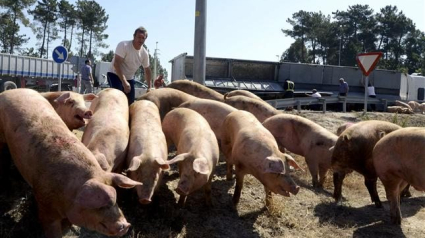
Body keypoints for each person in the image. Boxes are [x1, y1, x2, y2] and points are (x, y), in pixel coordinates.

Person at [107, 26, 152, 105]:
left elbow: (147, 70)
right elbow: (116, 64)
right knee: (118, 98)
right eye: (138, 37)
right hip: (114, 74)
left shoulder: (144, 53)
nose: (140, 40)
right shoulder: (123, 45)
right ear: (134, 36)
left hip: (129, 78)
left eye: (143, 38)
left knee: (130, 103)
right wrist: (124, 82)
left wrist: (149, 87)